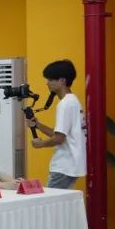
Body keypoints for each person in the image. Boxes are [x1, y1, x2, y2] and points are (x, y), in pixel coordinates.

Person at [28, 59, 87, 189]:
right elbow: (61, 134)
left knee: (51, 200)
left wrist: (40, 144)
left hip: (64, 167)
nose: (47, 83)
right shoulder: (73, 101)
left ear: (62, 81)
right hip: (70, 166)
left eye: (50, 80)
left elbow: (59, 139)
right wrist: (38, 125)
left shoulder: (65, 104)